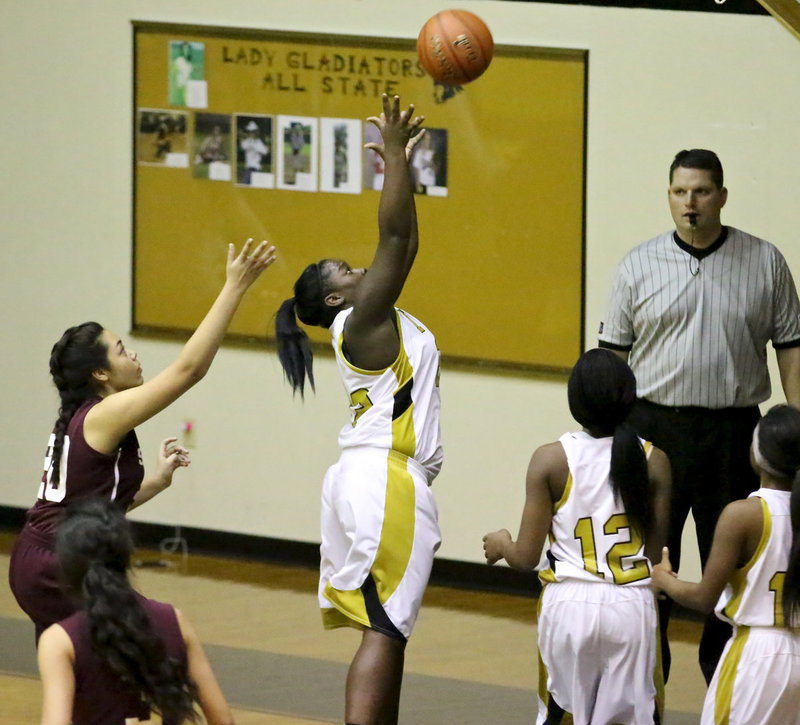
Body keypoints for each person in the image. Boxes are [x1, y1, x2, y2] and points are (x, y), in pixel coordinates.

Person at [598, 148, 800, 682]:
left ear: (722, 197)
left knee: (729, 560)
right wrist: (609, 439)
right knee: (648, 557)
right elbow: (611, 362)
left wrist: (795, 426)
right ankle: (646, 687)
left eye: (702, 192)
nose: (690, 203)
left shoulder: (765, 261)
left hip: (733, 431)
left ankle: (722, 678)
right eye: (680, 192)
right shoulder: (638, 264)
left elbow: (790, 348)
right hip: (652, 430)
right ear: (669, 196)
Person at [9, 238, 276, 641]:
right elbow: (189, 370)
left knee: (90, 670)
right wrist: (234, 286)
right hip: (57, 564)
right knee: (161, 640)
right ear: (100, 374)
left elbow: (90, 506)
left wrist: (156, 481)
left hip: (45, 559)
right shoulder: (103, 414)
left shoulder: (89, 417)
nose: (132, 354)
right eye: (120, 350)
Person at [274, 94, 436, 725]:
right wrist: (395, 153)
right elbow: (397, 236)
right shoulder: (360, 320)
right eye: (347, 268)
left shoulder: (367, 320)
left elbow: (404, 239)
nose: (360, 264)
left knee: (387, 625)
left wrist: (403, 168)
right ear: (337, 294)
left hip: (366, 477)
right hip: (383, 477)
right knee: (385, 629)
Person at [483, 348, 671, 724]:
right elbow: (653, 553)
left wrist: (501, 542)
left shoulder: (551, 459)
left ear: (575, 401)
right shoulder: (655, 460)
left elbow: (525, 557)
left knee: (561, 713)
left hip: (568, 605)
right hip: (631, 604)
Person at [652, 404, 800, 724]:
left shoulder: (743, 514)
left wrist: (663, 578)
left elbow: (704, 597)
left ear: (757, 454)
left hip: (757, 655)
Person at [37, 498, 234, 725]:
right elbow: (223, 721)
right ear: (125, 558)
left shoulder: (59, 641)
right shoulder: (175, 620)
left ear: (67, 564)